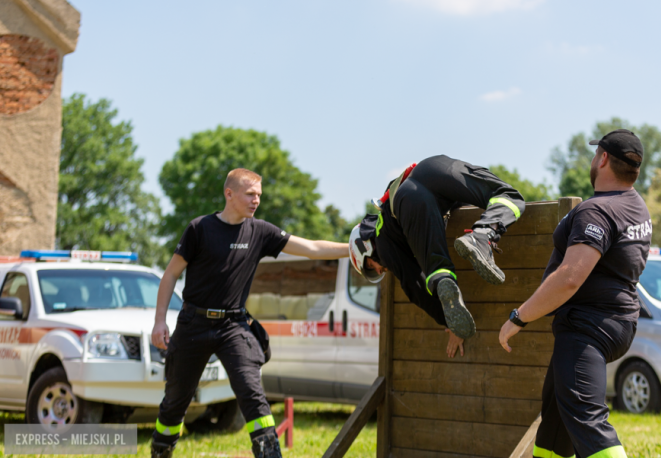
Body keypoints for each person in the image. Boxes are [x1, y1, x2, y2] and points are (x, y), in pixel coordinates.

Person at [150, 168, 349, 458]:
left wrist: (357, 248)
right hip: (193, 323)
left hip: (234, 326)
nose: (256, 200)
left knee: (252, 393)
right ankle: (161, 450)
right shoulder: (199, 229)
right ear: (229, 194)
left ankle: (270, 454)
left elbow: (312, 248)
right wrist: (159, 321)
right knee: (175, 401)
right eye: (250, 194)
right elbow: (169, 276)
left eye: (259, 195)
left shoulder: (261, 231)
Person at [498, 129, 652, 458]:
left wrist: (518, 317)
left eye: (596, 153)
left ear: (604, 158)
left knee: (587, 418)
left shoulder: (596, 211)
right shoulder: (635, 206)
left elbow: (570, 278)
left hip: (586, 326)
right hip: (615, 320)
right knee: (554, 424)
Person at [348, 155, 526, 358]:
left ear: (363, 246)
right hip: (433, 167)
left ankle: (443, 277)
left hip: (409, 200)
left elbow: (414, 285)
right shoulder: (387, 221)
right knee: (508, 196)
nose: (380, 270)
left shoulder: (382, 242)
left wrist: (451, 321)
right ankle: (483, 235)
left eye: (370, 266)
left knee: (438, 270)